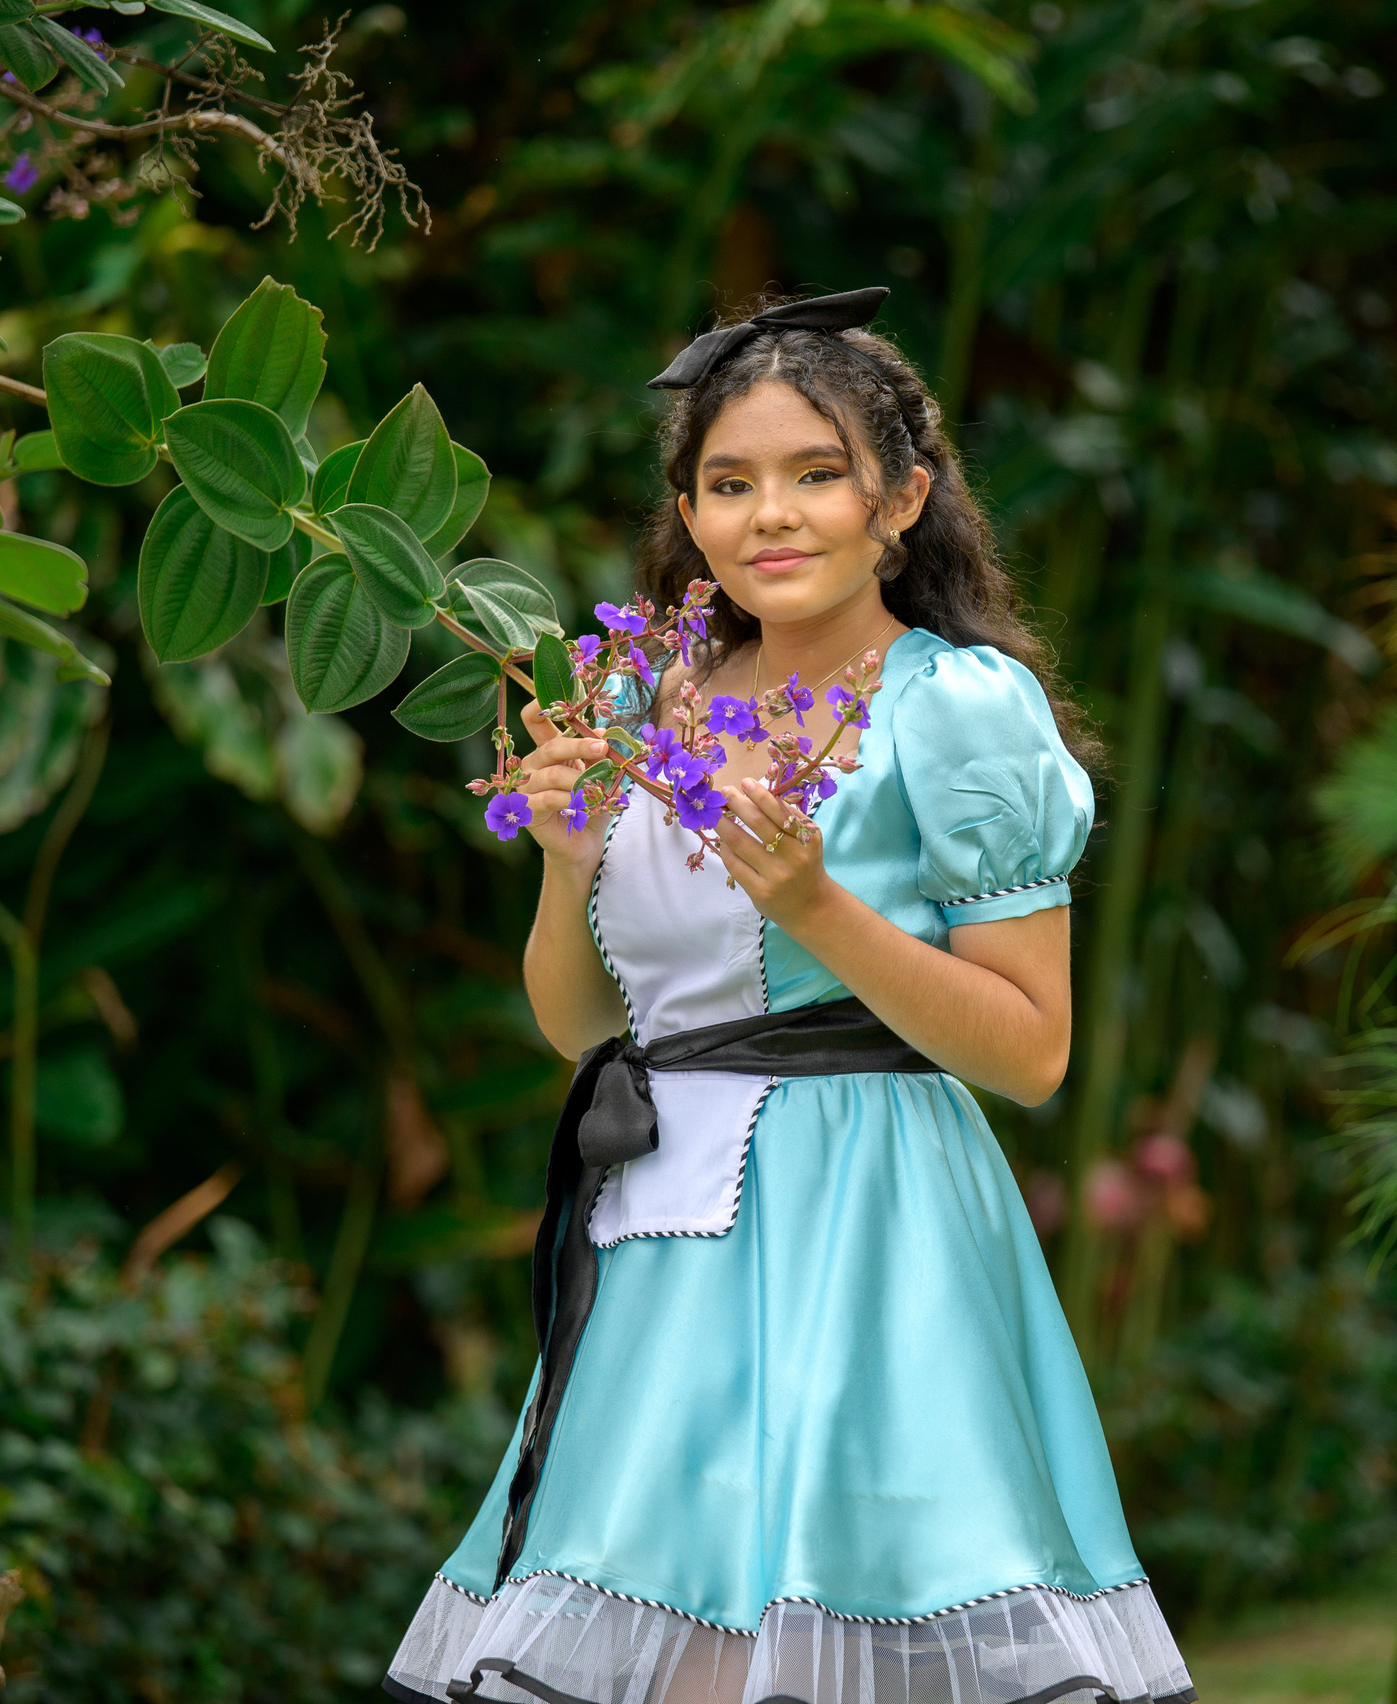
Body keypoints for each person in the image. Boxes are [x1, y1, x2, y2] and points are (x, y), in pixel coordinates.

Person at [386, 290, 1194, 1704]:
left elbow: (1035, 1052)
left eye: (817, 475)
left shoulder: (959, 706)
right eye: (731, 482)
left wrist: (816, 907)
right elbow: (587, 1031)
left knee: (830, 1643)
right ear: (688, 516)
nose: (774, 514)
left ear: (901, 500)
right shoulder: (645, 704)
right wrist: (563, 862)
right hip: (656, 1241)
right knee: (662, 1646)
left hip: (870, 1238)